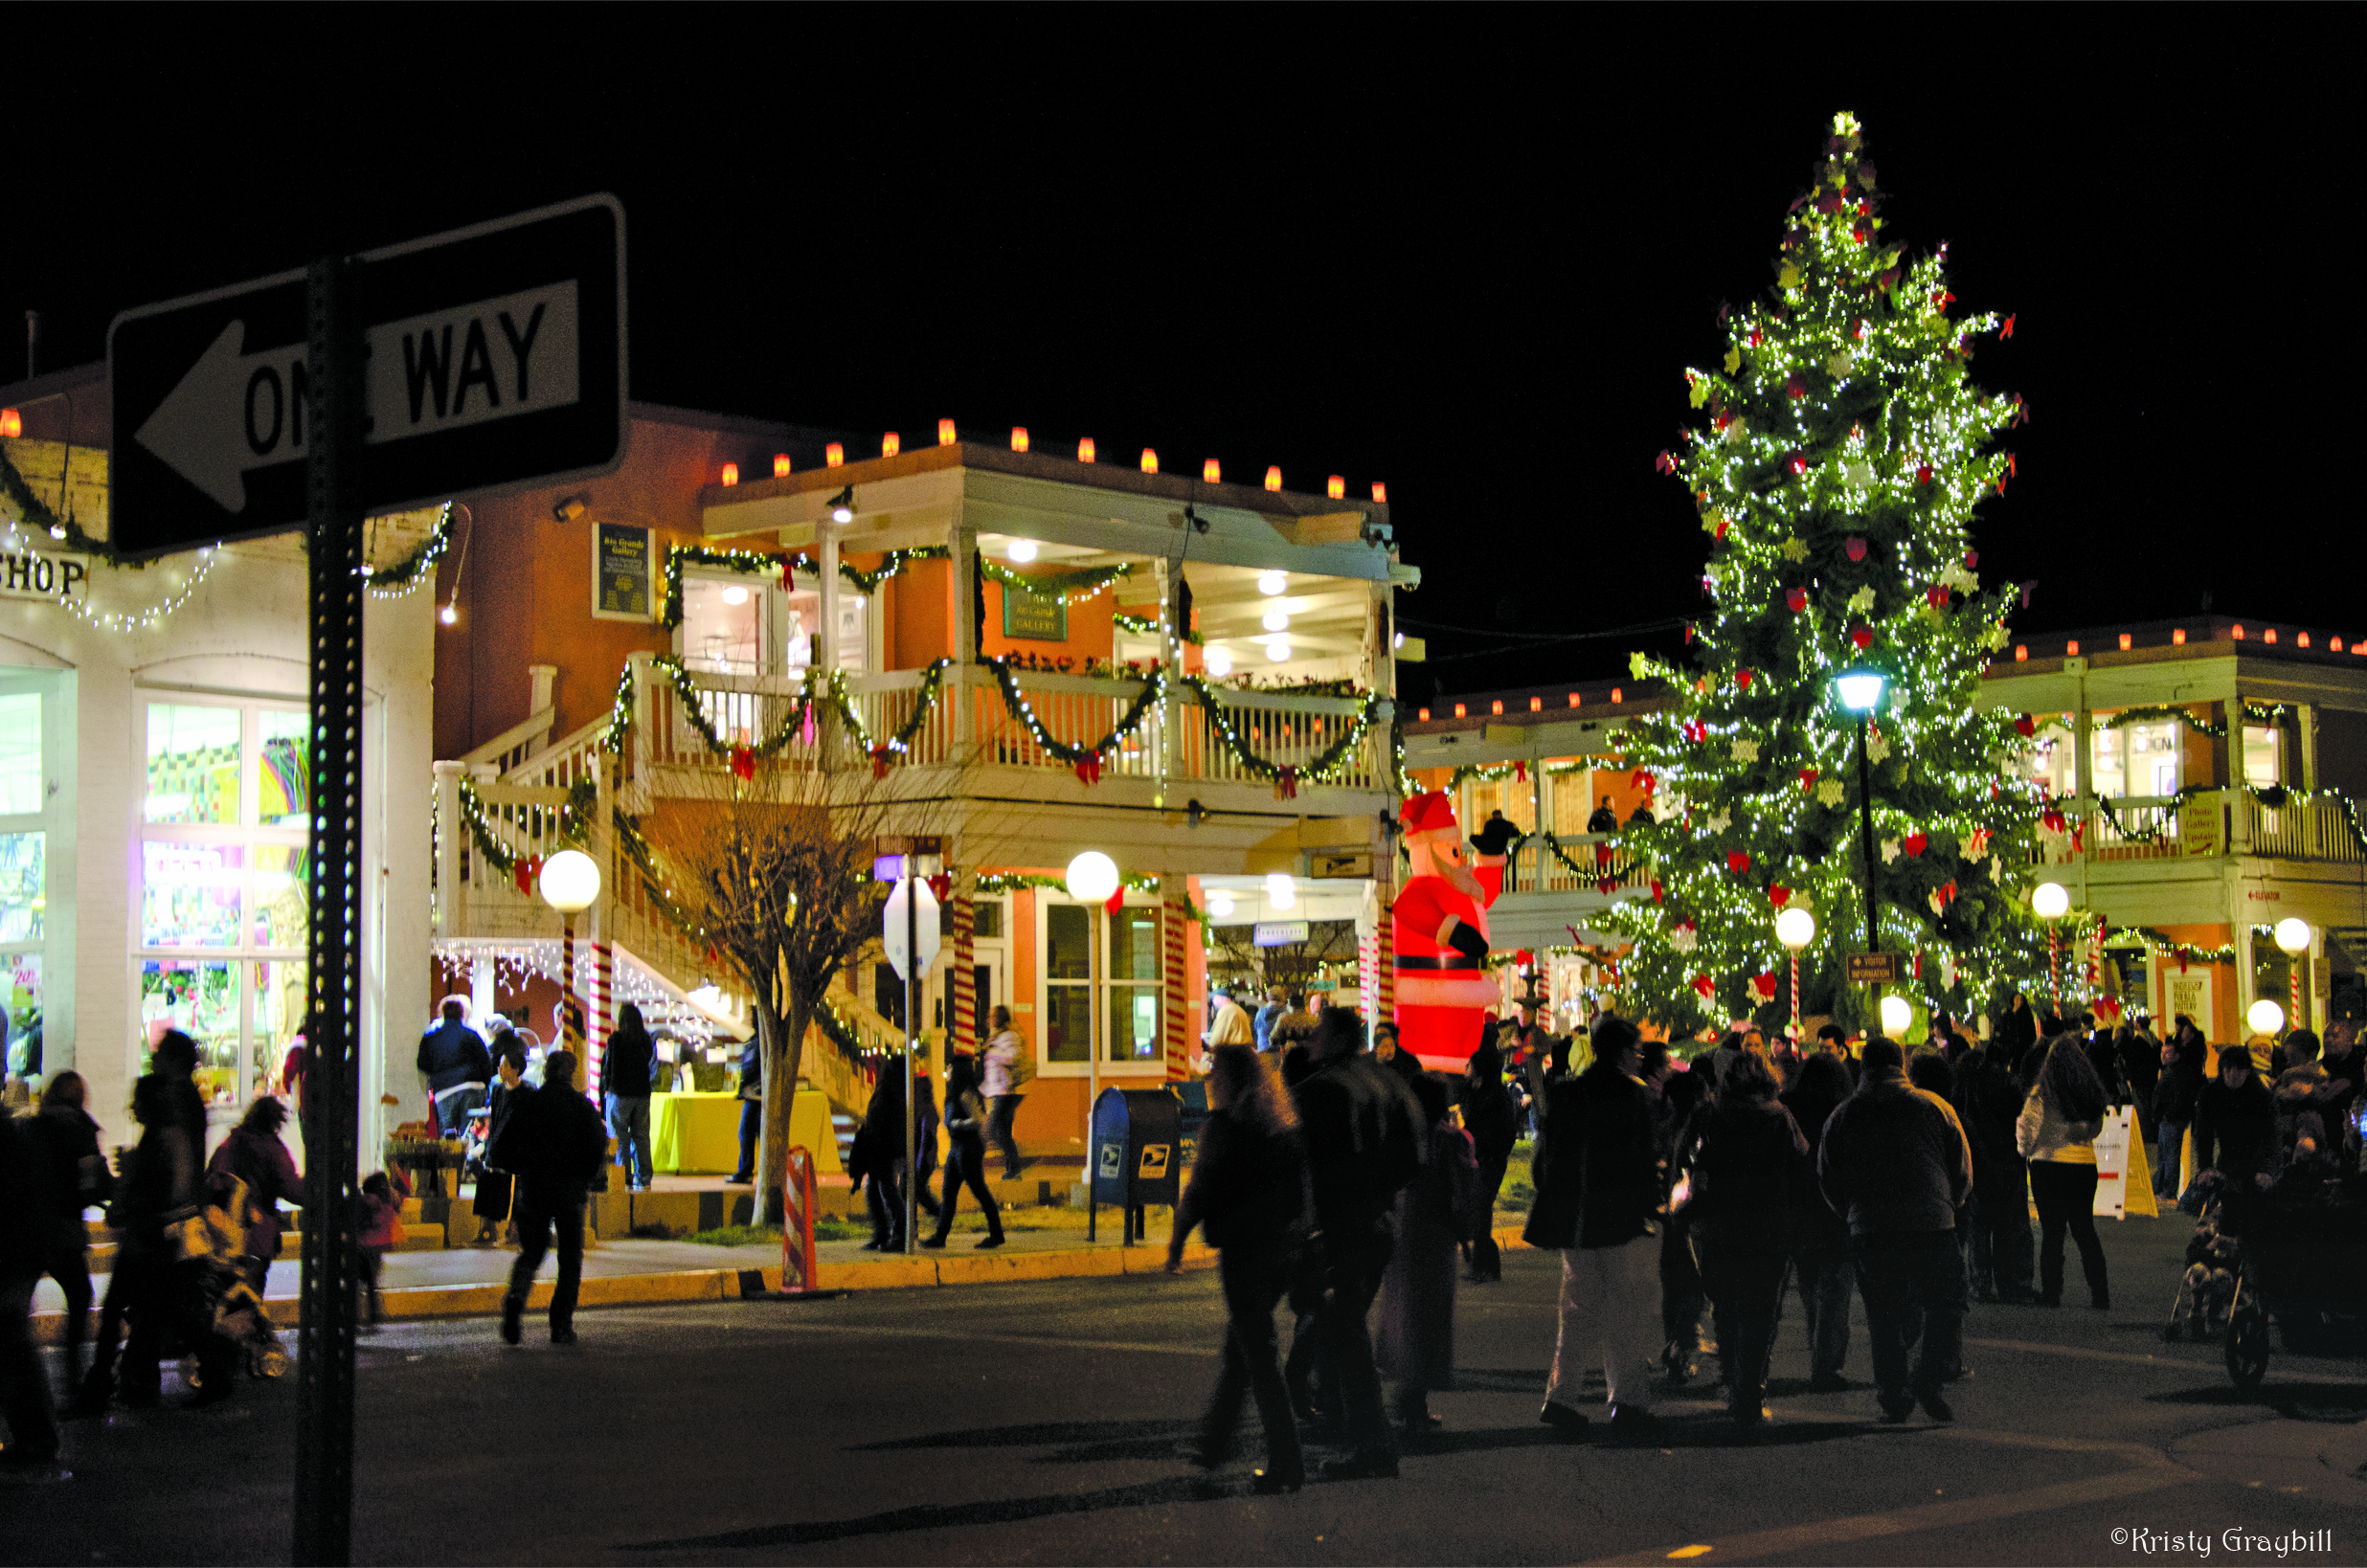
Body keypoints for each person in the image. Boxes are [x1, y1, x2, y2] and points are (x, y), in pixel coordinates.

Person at [1167, 1043, 1312, 1494]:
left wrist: (1176, 1243)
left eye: (1216, 1075)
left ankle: (1287, 1462)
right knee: (1243, 1350)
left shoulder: (1225, 1129)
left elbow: (1199, 1190)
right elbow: (1303, 1195)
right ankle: (1213, 1445)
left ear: (1230, 1081)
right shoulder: (1283, 1127)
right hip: (1281, 1250)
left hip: (1244, 1253)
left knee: (1259, 1356)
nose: (1210, 1082)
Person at [1293, 1003, 1425, 1480]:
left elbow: (1305, 1169)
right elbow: (1415, 1155)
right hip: (1380, 1221)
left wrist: (1312, 1225)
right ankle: (1356, 1429)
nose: (1311, 1040)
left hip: (1339, 1227)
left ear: (1336, 1039)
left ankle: (1370, 1443)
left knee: (1344, 1332)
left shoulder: (1323, 1091)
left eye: (1319, 1032)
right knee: (1343, 1328)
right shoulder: (1389, 1084)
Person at [1818, 1036, 1972, 1424]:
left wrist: (1850, 1213)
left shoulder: (1844, 1114)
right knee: (1946, 1304)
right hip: (1932, 1221)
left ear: (1863, 1067)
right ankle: (1929, 1376)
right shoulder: (1934, 1107)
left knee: (1883, 1313)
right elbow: (1962, 1167)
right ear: (1901, 1064)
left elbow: (1828, 1175)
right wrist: (1949, 1203)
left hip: (1871, 1227)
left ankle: (1893, 1393)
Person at [1525, 1013, 1662, 1444]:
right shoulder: (1633, 1096)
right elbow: (1644, 1158)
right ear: (1623, 1051)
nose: (1640, 1059)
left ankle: (1561, 1398)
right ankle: (1626, 1398)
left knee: (1578, 1307)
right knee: (1625, 1308)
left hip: (1575, 1216)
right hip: (1618, 1216)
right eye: (1637, 1051)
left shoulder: (1569, 1093)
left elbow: (1543, 1156)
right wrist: (1650, 1207)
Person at [1690, 1051, 1809, 1427]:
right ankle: (1750, 1391)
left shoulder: (1712, 1115)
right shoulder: (1779, 1117)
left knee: (1726, 1307)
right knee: (1761, 1313)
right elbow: (1800, 1164)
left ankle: (1731, 1380)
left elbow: (1692, 1162)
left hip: (1720, 1224)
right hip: (1768, 1226)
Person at [490, 1049, 609, 1346]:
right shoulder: (582, 1106)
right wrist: (588, 1177)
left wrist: (524, 1168)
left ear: (546, 1072)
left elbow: (502, 1147)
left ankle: (517, 1297)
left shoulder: (530, 1103)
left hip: (535, 1187)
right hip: (570, 1190)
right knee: (570, 1257)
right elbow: (598, 1146)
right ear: (571, 1074)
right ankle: (561, 1324)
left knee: (531, 1251)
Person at [1378, 1073, 1474, 1437]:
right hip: (1435, 1234)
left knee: (1403, 1314)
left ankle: (1406, 1395)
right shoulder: (1451, 1140)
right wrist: (1466, 1237)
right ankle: (1413, 1400)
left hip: (1403, 1229)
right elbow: (1461, 1192)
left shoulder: (1401, 1138)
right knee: (1429, 1318)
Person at [2016, 1037, 2112, 1310]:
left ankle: (2051, 1293)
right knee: (2085, 1230)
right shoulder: (2089, 1094)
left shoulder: (2041, 1094)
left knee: (2052, 1233)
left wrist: (2027, 1150)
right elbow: (2095, 1129)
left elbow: (2027, 1131)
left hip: (2048, 1166)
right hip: (2084, 1166)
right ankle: (2100, 1292)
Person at [27, 1073, 105, 1400]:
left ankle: (21, 1379)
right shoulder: (82, 1131)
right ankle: (73, 1375)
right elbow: (90, 1186)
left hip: (30, 1229)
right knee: (80, 1297)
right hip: (64, 1231)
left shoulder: (31, 1128)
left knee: (17, 1305)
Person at [1780, 1052, 1857, 1388]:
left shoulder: (1785, 1106)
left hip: (1796, 1208)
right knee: (1836, 1290)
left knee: (1809, 1287)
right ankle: (1827, 1363)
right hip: (1834, 1208)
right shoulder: (1844, 1110)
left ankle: (1818, 1354)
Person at [0, 1104, 63, 1480]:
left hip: (11, 1257)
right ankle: (36, 1434)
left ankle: (37, 1436)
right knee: (12, 1345)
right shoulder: (14, 1137)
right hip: (19, 1254)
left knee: (12, 1346)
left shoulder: (8, 1143)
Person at [1952, 1037, 2035, 1304]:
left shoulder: (1966, 1085)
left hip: (1977, 1161)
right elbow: (2020, 1118)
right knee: (2010, 1226)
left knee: (1979, 1227)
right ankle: (2013, 1284)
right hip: (2007, 1159)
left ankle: (1980, 1284)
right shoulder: (2009, 1084)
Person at [922, 1055, 1004, 1249]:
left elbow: (979, 1120)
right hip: (956, 1148)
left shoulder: (967, 1093)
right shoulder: (955, 1092)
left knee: (979, 1190)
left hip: (968, 1148)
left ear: (958, 1071)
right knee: (948, 1193)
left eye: (950, 1068)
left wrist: (957, 1123)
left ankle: (997, 1233)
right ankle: (940, 1236)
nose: (948, 1072)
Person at [1460, 1042, 1519, 1283]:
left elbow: (1506, 1132)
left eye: (1470, 1064)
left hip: (1489, 1162)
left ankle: (1483, 1267)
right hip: (1478, 1159)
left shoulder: (1496, 1096)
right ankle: (1487, 1266)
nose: (1466, 1067)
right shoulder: (1475, 1091)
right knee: (1478, 1212)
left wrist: (1493, 1154)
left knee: (1481, 1213)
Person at [2192, 1043, 2276, 1192]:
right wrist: (2205, 1167)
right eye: (2228, 1069)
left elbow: (2271, 1136)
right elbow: (2204, 1135)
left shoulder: (2261, 1097)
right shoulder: (2210, 1095)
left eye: (2239, 1071)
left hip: (2256, 1160)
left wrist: (2266, 1169)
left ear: (2247, 1072)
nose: (2232, 1075)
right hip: (2227, 1158)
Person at [473, 1038, 529, 1245]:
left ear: (515, 1070)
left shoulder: (526, 1093)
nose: (499, 1067)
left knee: (514, 1191)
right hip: (496, 1146)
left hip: (515, 1152)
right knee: (486, 1185)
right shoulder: (497, 1090)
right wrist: (489, 1147)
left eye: (504, 1064)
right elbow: (495, 1120)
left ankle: (513, 1233)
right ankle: (486, 1231)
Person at [850, 1067, 912, 1251]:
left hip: (883, 1151)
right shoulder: (891, 1092)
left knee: (886, 1191)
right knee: (875, 1191)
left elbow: (885, 1124)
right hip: (879, 1151)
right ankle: (883, 1233)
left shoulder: (890, 1094)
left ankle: (898, 1235)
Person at [600, 1002, 659, 1193]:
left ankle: (624, 1177)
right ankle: (644, 1178)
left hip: (620, 1094)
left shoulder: (616, 1039)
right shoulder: (645, 1039)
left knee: (620, 1137)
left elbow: (611, 1066)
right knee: (641, 1136)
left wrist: (608, 1088)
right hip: (642, 1094)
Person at [417, 997, 493, 1136]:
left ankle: (449, 1156)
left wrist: (436, 1078)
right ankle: (467, 1155)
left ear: (442, 1013)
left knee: (447, 1133)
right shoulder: (471, 1035)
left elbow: (423, 1064)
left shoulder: (431, 1037)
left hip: (444, 1090)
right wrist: (485, 1086)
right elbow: (486, 1062)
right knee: (469, 1132)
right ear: (462, 1013)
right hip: (472, 1087)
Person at [2154, 1024, 2206, 1201]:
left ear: (2176, 1055)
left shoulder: (2178, 1073)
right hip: (2170, 1118)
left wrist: (2167, 1113)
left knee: (2170, 1156)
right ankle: (2162, 1188)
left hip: (2172, 1119)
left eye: (2167, 1053)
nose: (2163, 1055)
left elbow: (2179, 1098)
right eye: (2162, 1052)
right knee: (2165, 1155)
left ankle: (2167, 1190)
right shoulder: (2172, 1071)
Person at [981, 1006, 1030, 1181]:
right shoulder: (997, 1037)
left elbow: (1011, 1058)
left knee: (993, 1130)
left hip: (1007, 1091)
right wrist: (985, 1088)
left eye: (993, 1016)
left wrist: (992, 1052)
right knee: (1003, 1131)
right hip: (999, 1090)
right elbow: (992, 1070)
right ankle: (1013, 1170)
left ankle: (1015, 1167)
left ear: (1000, 1018)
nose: (990, 1019)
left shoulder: (1009, 1036)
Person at [355, 1169, 409, 1330]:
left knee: (356, 1286)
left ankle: (355, 1320)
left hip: (360, 1247)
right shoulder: (389, 1203)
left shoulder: (365, 1201)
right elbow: (405, 1192)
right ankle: (373, 1319)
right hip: (375, 1250)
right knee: (372, 1286)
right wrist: (400, 1175)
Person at [727, 1031, 761, 1185]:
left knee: (747, 1132)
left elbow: (750, 1066)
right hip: (756, 1094)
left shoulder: (755, 1043)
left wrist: (744, 1083)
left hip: (754, 1094)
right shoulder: (758, 1041)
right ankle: (746, 1171)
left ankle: (745, 1171)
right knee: (754, 1132)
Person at [1253, 984, 1288, 1053]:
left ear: (1268, 997)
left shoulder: (1260, 1012)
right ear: (1282, 997)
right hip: (1281, 1052)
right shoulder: (1286, 1012)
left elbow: (1256, 1029)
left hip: (1263, 1050)